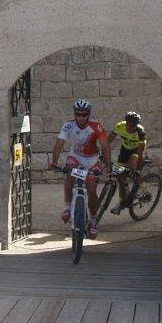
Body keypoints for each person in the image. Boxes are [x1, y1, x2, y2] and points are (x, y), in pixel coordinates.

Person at [49, 98, 109, 239]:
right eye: (78, 114)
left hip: (92, 160)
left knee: (92, 191)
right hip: (75, 157)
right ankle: (67, 207)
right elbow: (58, 145)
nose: (81, 117)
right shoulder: (68, 126)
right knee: (70, 171)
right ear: (74, 114)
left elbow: (105, 146)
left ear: (89, 114)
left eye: (84, 114)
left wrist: (108, 166)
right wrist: (54, 162)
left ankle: (93, 222)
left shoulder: (96, 126)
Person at [110, 111, 147, 215]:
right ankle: (122, 202)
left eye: (132, 126)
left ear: (136, 126)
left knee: (132, 168)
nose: (129, 128)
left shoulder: (141, 132)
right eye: (128, 125)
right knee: (121, 176)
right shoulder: (119, 126)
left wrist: (137, 169)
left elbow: (140, 154)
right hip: (125, 149)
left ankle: (142, 187)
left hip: (136, 150)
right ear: (125, 123)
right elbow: (107, 142)